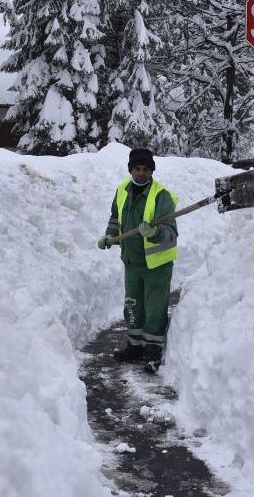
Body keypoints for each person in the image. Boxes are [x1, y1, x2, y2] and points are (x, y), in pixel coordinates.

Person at [97, 148, 178, 374]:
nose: (141, 173)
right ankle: (134, 346)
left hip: (157, 265)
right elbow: (116, 217)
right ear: (131, 169)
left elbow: (171, 233)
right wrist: (110, 235)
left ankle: (152, 353)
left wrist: (154, 232)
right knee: (133, 306)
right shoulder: (122, 189)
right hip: (132, 261)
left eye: (146, 169)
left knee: (154, 310)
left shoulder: (161, 196)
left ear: (151, 172)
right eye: (137, 168)